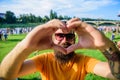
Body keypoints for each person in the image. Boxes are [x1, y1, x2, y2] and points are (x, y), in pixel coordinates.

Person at [0, 18, 120, 80]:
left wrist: (105, 45)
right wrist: (24, 47)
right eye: (59, 35)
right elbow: (5, 76)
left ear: (74, 39)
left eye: (69, 36)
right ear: (52, 38)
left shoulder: (83, 61)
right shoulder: (44, 60)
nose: (64, 40)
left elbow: (117, 75)